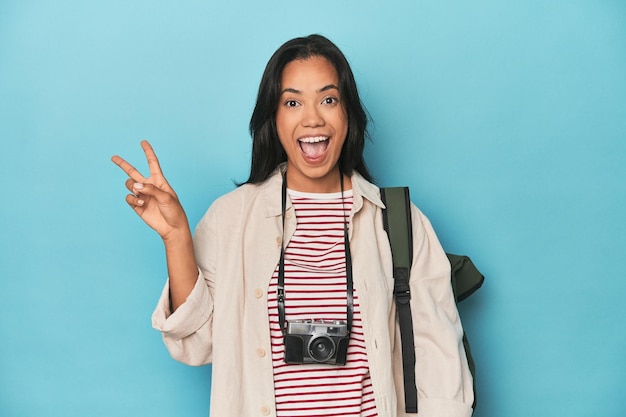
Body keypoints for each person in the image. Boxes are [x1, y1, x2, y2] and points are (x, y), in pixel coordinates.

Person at [112, 34, 474, 417]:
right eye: (293, 101)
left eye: (328, 99)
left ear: (348, 113)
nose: (313, 117)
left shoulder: (397, 220)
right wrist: (176, 238)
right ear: (274, 118)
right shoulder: (231, 218)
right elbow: (196, 343)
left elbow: (441, 365)